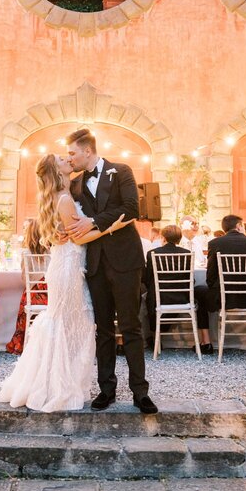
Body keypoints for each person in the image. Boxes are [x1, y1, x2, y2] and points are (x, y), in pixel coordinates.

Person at [0, 154, 130, 411]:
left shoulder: (67, 195)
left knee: (71, 324)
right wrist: (112, 227)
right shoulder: (65, 199)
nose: (67, 158)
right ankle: (57, 385)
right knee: (72, 325)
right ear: (55, 170)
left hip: (69, 266)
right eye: (61, 158)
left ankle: (58, 381)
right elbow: (78, 239)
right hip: (69, 269)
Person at [65, 128, 158, 415]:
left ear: (88, 151)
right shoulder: (75, 184)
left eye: (72, 153)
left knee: (131, 326)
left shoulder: (121, 170)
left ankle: (140, 392)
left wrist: (92, 221)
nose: (70, 159)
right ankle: (106, 390)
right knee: (102, 330)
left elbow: (131, 208)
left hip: (126, 261)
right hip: (94, 263)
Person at [144, 224, 213, 354]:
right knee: (201, 290)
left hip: (160, 298)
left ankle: (155, 339)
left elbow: (148, 279)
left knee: (150, 293)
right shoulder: (187, 254)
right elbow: (190, 279)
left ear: (162, 238)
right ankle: (205, 339)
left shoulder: (152, 253)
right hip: (183, 297)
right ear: (179, 239)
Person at [205, 214, 246, 316]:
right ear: (238, 226)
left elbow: (210, 275)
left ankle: (211, 331)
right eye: (243, 226)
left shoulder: (214, 243)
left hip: (224, 297)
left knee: (202, 291)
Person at [6, 218, 48, 354]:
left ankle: (23, 343)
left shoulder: (26, 253)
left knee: (24, 300)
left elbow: (25, 280)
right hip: (50, 297)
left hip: (35, 298)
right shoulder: (50, 251)